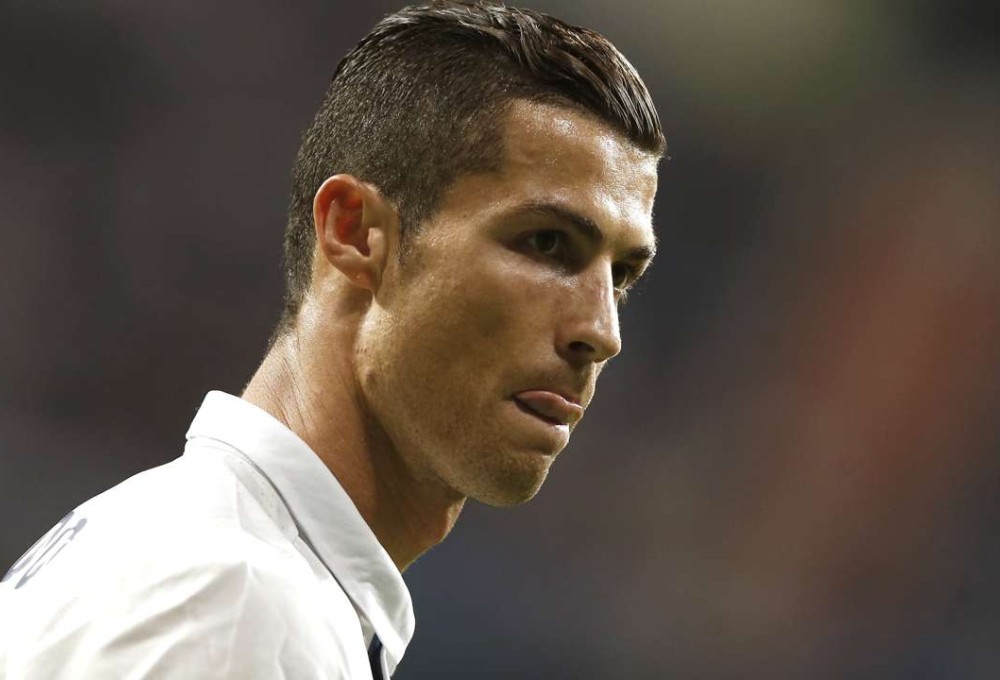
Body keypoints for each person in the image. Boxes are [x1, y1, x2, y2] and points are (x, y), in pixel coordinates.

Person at [0, 1, 665, 677]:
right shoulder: (241, 608)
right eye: (546, 244)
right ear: (355, 234)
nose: (600, 332)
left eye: (622, 276)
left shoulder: (179, 544)